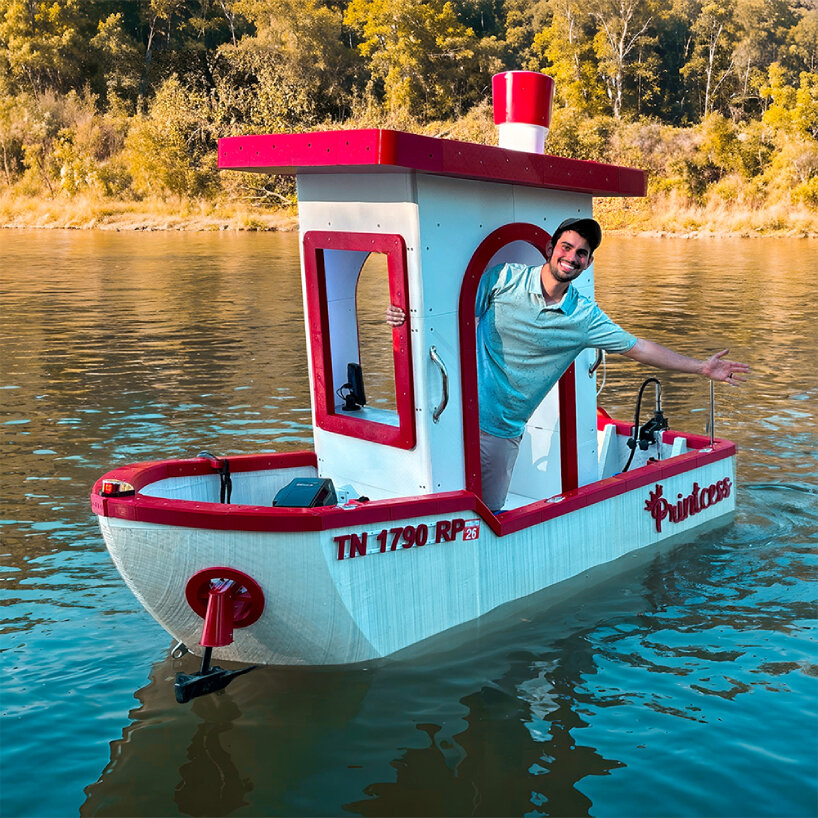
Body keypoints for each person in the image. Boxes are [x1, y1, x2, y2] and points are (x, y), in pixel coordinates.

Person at [385, 217, 750, 513]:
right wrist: (405, 315)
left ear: (588, 263)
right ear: (550, 249)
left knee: (490, 514)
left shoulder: (584, 317)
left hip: (501, 429)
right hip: (452, 417)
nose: (572, 257)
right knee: (433, 500)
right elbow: (447, 313)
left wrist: (702, 368)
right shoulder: (503, 279)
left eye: (581, 253)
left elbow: (639, 347)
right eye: (566, 247)